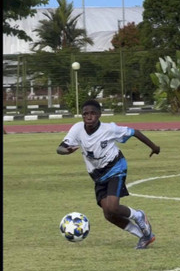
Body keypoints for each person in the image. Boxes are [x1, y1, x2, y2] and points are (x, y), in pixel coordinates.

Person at [57, 99, 160, 249]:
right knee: (108, 214)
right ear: (82, 116)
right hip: (97, 175)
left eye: (93, 113)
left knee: (113, 207)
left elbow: (134, 132)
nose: (89, 117)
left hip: (115, 167)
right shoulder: (77, 129)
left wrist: (154, 147)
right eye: (85, 114)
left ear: (99, 114)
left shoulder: (109, 129)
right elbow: (60, 148)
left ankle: (139, 215)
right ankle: (144, 236)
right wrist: (66, 151)